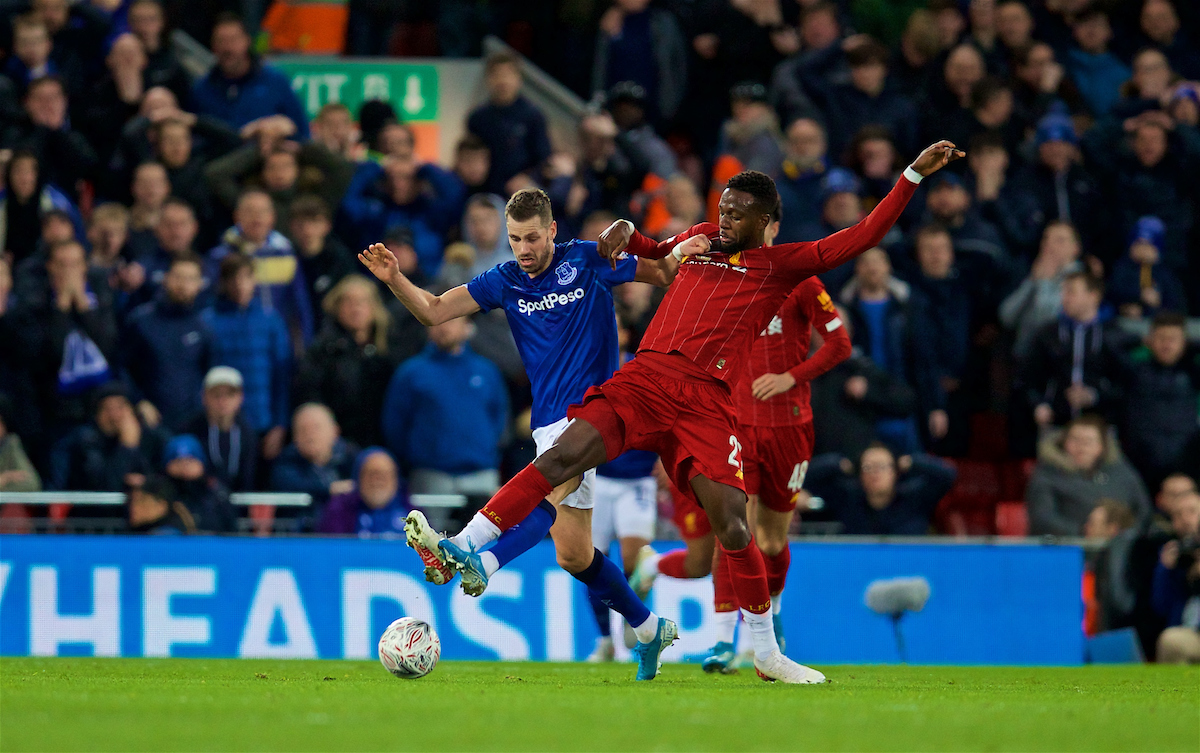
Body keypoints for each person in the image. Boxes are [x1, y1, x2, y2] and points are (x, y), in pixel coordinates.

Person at [395, 141, 964, 683]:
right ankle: (466, 545)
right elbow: (656, 255)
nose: (725, 221)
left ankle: (765, 651)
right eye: (723, 208)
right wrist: (628, 233)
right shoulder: (698, 239)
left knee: (734, 527)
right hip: (645, 378)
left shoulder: (781, 266)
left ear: (765, 224)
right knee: (562, 457)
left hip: (706, 402)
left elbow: (863, 235)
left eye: (738, 215)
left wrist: (911, 175)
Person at [359, 186, 681, 681]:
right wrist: (396, 278)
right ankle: (647, 627)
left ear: (553, 230)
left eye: (532, 237)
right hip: (549, 422)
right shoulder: (504, 281)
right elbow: (434, 311)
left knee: (549, 483)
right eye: (515, 240)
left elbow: (663, 272)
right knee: (574, 555)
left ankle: (472, 552)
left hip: (593, 413)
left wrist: (637, 237)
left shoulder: (589, 260)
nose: (524, 249)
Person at [630, 211, 853, 672]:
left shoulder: (800, 280)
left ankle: (773, 617)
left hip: (790, 427)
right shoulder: (725, 271)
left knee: (772, 540)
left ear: (771, 225)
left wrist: (790, 376)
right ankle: (723, 641)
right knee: (734, 529)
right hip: (736, 423)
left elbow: (839, 345)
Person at [381, 315, 509, 497]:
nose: (443, 327)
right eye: (436, 321)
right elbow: (395, 425)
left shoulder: (487, 371)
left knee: (487, 526)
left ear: (467, 327)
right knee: (429, 527)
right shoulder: (411, 373)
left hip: (481, 473)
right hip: (430, 475)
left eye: (452, 320)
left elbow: (500, 419)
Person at [200, 255, 291, 464]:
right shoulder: (207, 321)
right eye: (233, 278)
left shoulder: (271, 320)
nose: (240, 285)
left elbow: (281, 376)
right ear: (223, 282)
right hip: (220, 422)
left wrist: (280, 425)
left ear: (255, 280)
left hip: (263, 423)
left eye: (246, 277)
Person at [296, 276, 405, 449]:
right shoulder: (322, 349)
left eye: (362, 302)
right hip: (337, 443)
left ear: (374, 308)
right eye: (349, 302)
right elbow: (310, 393)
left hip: (383, 442)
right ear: (336, 307)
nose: (356, 308)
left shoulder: (392, 348)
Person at [1019, 271, 1128, 434]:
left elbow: (1126, 383)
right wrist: (1039, 404)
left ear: (1094, 296)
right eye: (1063, 292)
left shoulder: (1115, 334)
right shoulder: (1047, 334)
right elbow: (1028, 377)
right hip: (1056, 425)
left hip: (1101, 428)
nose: (1064, 298)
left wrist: (1095, 396)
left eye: (1071, 292)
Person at [208, 188, 313, 348]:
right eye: (250, 211)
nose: (257, 217)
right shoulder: (221, 257)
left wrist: (304, 344)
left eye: (263, 211)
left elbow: (300, 306)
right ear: (237, 216)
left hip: (278, 341)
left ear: (272, 217)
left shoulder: (285, 254)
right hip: (234, 341)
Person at [123, 255, 212, 431]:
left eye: (190, 279)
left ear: (200, 284)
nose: (183, 284)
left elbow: (208, 373)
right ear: (166, 278)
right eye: (178, 277)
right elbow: (122, 368)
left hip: (192, 423)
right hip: (149, 422)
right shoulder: (141, 321)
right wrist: (139, 401)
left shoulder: (204, 326)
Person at [1026, 415, 1152, 537]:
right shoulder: (1048, 473)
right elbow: (1042, 517)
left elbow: (1143, 511)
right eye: (1075, 440)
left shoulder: (1121, 472)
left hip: (1121, 547)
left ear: (1101, 446)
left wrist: (1128, 535)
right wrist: (1084, 532)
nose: (1081, 447)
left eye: (1088, 441)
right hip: (1068, 547)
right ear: (1063, 443)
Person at [190, 13, 309, 138]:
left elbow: (302, 133)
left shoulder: (275, 82)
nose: (227, 48)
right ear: (212, 45)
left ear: (247, 41)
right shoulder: (202, 89)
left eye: (233, 40)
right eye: (221, 41)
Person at [1119, 313, 1200, 491]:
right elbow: (1113, 347)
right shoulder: (1135, 371)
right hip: (1140, 459)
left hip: (1184, 459)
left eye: (1173, 339)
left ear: (1184, 343)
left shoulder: (1192, 372)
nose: (1167, 345)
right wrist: (1139, 340)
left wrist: (1190, 346)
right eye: (1161, 338)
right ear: (1150, 340)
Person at [805, 443, 956, 535]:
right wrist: (838, 464)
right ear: (859, 474)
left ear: (895, 472)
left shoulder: (915, 498)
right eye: (868, 467)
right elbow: (806, 478)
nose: (875, 474)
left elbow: (948, 476)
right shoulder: (846, 499)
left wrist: (913, 462)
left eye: (882, 467)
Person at [49, 382, 169, 492]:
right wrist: (127, 447)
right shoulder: (86, 441)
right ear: (96, 416)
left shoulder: (154, 438)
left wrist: (148, 482)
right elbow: (107, 487)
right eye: (106, 409)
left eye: (120, 407)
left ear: (132, 411)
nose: (114, 416)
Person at [466, 50, 552, 194]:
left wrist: (527, 177)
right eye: (497, 75)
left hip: (523, 192)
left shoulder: (532, 115)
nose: (502, 81)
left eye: (507, 75)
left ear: (518, 79)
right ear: (488, 79)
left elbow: (543, 158)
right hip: (485, 191)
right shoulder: (477, 118)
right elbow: (470, 154)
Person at [269, 402, 356, 514]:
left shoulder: (352, 457)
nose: (310, 434)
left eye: (316, 427)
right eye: (303, 429)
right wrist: (329, 489)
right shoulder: (285, 462)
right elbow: (290, 486)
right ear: (294, 437)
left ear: (335, 431)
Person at [183, 366, 257, 493]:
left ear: (240, 398)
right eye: (216, 395)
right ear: (204, 397)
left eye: (230, 394)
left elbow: (250, 479)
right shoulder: (189, 431)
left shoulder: (248, 434)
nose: (223, 401)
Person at [318, 447, 410, 536]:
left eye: (384, 475)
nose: (378, 481)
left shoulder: (412, 514)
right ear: (358, 478)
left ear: (396, 480)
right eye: (372, 474)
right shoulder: (338, 512)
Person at [1152, 491, 1200, 663]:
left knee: (1171, 640)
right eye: (1178, 514)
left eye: (1192, 511)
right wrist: (1165, 570)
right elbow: (1161, 608)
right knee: (1171, 639)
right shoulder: (1175, 555)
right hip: (1187, 631)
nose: (1185, 519)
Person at [162, 433, 236, 532]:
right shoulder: (159, 493)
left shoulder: (216, 493)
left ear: (201, 463)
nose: (185, 466)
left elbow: (231, 529)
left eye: (190, 460)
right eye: (178, 460)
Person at [127, 474, 196, 534]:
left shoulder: (165, 536)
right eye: (131, 501)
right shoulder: (140, 532)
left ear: (162, 505)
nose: (133, 508)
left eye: (141, 502)